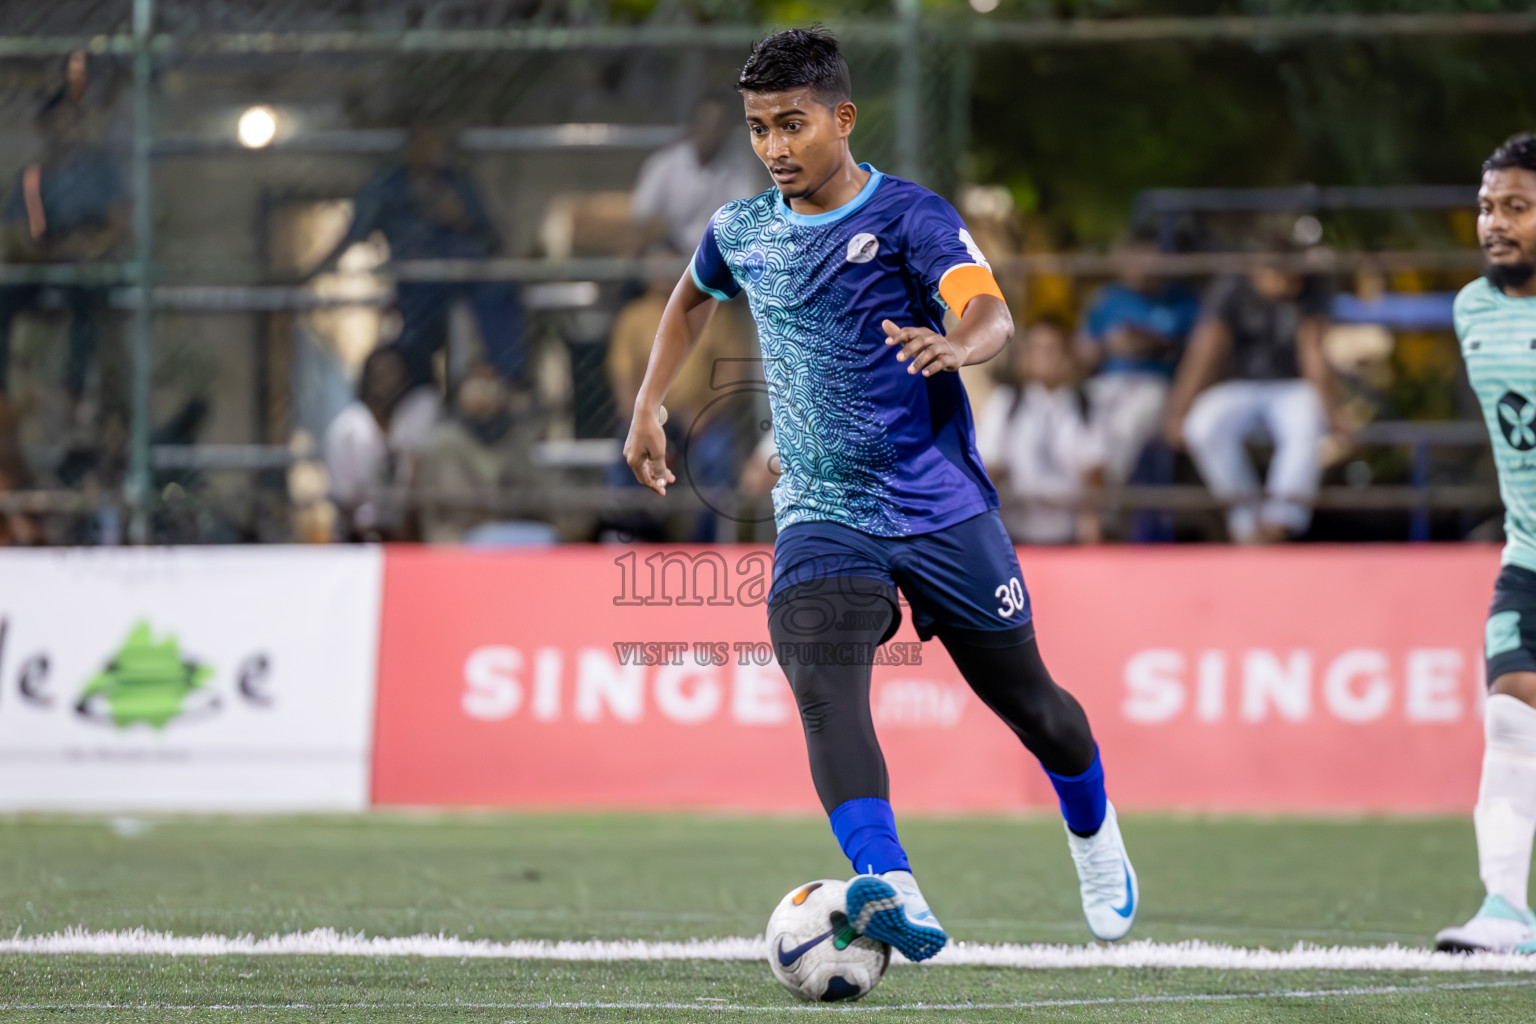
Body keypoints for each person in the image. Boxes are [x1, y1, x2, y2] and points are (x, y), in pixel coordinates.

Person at [622, 28, 1137, 964]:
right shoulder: (741, 228)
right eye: (759, 128)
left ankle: (1094, 830)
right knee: (820, 677)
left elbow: (986, 306)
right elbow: (692, 295)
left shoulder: (910, 217)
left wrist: (961, 345)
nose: (775, 147)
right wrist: (651, 402)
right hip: (822, 510)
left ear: (842, 118)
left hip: (940, 509)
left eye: (793, 124)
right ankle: (892, 883)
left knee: (1033, 706)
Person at [1435, 134, 1536, 956]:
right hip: (1528, 557)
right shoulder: (1472, 309)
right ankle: (1505, 907)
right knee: (1509, 712)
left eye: (1517, 208)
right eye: (1486, 206)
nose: (1493, 224)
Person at [307, 123, 524, 389]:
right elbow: (355, 233)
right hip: (418, 275)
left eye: (438, 144)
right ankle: (418, 391)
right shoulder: (388, 186)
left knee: (498, 290)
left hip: (464, 268)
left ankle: (509, 374)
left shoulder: (457, 182)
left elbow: (491, 237)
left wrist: (461, 219)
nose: (433, 152)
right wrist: (312, 272)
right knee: (417, 336)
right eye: (425, 143)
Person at [1163, 264, 1339, 544]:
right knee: (1201, 425)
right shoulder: (1233, 286)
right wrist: (1179, 411)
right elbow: (1206, 351)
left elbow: (1313, 355)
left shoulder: (1311, 286)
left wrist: (1334, 415)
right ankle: (1247, 523)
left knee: (1308, 419)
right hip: (1241, 386)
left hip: (1293, 387)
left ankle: (1280, 521)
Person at [0, 90, 126, 420]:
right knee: (4, 300)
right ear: (44, 127)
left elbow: (117, 226)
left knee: (84, 304)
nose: (64, 128)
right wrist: (44, 251)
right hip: (47, 262)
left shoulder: (101, 171)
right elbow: (20, 233)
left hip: (87, 262)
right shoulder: (33, 176)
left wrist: (90, 247)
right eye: (56, 121)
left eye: (70, 119)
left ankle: (76, 389)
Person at [1076, 231, 1199, 484]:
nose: (1141, 264)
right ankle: (1081, 491)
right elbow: (1083, 353)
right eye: (1133, 257)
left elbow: (1195, 354)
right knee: (1081, 411)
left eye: (1148, 255)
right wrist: (1108, 344)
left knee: (1129, 421)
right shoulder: (1107, 298)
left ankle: (1105, 495)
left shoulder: (1185, 300)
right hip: (1109, 382)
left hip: (1159, 386)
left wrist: (1148, 343)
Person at [977, 318, 1105, 545]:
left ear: (1067, 357)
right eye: (1034, 348)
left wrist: (1091, 528)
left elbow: (1093, 472)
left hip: (1068, 530)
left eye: (1050, 349)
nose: (1042, 356)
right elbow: (990, 467)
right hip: (1016, 529)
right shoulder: (1006, 403)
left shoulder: (1084, 404)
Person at [413, 363, 555, 546]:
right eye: (475, 388)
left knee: (546, 538)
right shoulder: (445, 441)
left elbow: (536, 495)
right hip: (456, 536)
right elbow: (453, 503)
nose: (482, 395)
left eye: (489, 387)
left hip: (509, 530)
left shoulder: (517, 440)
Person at [323, 345, 440, 540]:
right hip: (360, 535)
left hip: (409, 532)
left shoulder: (415, 417)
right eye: (377, 376)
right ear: (366, 380)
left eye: (391, 374)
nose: (384, 383)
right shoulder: (348, 428)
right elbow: (343, 499)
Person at [631, 97, 764, 255]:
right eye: (705, 123)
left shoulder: (741, 166)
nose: (710, 132)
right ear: (694, 124)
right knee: (660, 261)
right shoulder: (664, 163)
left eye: (718, 126)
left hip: (720, 253)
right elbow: (643, 218)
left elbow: (749, 219)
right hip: (672, 251)